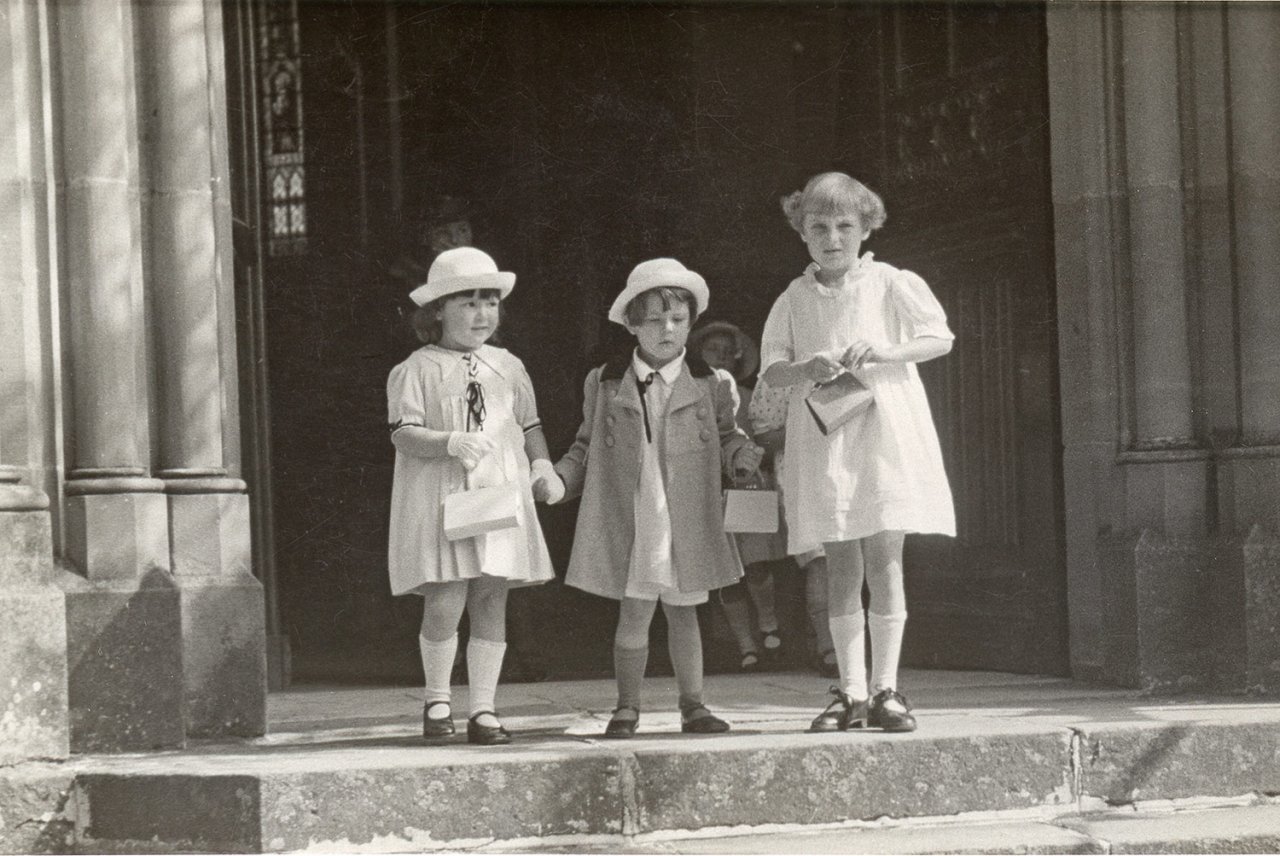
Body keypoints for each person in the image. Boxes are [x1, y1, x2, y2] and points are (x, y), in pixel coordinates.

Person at [760, 172, 955, 734]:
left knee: (885, 556)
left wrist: (886, 351)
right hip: (828, 435)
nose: (833, 238)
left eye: (845, 226)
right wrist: (807, 365)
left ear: (866, 228)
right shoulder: (794, 297)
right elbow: (773, 368)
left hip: (884, 430)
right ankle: (850, 693)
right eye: (819, 227)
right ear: (801, 232)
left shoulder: (890, 282)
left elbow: (939, 337)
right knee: (840, 559)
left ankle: (886, 689)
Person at [551, 258, 764, 738]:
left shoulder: (710, 382)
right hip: (637, 510)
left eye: (678, 319)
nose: (667, 329)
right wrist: (559, 480)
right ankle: (627, 706)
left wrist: (742, 454)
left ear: (691, 322)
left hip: (686, 512)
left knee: (685, 610)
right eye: (654, 319)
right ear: (631, 324)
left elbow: (727, 435)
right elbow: (585, 445)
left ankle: (694, 705)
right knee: (635, 611)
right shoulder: (605, 381)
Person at [386, 247, 563, 746]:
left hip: (498, 491)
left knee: (491, 594)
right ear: (438, 310)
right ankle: (437, 699)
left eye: (490, 302)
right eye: (468, 303)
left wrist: (542, 465)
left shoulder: (508, 365)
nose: (482, 314)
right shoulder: (417, 368)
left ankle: (484, 708)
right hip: (445, 495)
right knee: (446, 596)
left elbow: (529, 424)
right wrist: (448, 442)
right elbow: (403, 433)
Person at [690, 321, 785, 672]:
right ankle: (746, 645)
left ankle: (769, 625)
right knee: (725, 574)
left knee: (757, 565)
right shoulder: (689, 394)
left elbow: (762, 439)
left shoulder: (746, 396)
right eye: (712, 351)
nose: (720, 358)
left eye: (727, 353)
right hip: (706, 493)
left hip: (746, 487)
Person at [746, 376, 840, 679]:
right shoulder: (779, 375)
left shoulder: (853, 361)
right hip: (804, 475)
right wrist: (810, 425)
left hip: (850, 466)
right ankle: (828, 647)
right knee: (820, 558)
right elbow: (764, 438)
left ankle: (845, 645)